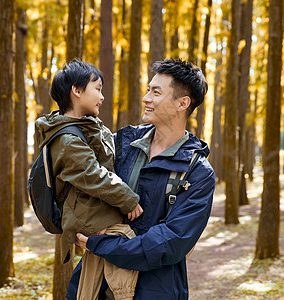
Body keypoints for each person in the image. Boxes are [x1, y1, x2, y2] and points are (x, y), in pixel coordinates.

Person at [67, 58, 216, 300]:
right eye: (148, 90)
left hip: (155, 289)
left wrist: (101, 244)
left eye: (156, 92)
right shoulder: (122, 143)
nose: (146, 98)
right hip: (96, 283)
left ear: (183, 103)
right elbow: (78, 180)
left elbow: (171, 242)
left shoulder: (198, 172)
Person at [35, 59, 143, 300]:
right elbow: (93, 175)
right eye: (97, 88)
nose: (102, 96)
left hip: (92, 212)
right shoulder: (67, 140)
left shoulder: (84, 127)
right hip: (89, 216)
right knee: (125, 241)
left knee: (92, 279)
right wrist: (128, 200)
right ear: (77, 90)